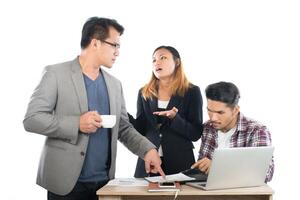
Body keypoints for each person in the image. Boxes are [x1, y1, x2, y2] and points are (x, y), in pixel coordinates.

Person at [23, 17, 164, 200]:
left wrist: (148, 150)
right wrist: (76, 123)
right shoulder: (55, 74)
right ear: (95, 43)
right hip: (65, 185)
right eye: (115, 45)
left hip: (104, 184)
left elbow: (123, 127)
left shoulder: (115, 84)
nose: (118, 52)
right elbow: (32, 119)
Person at [129, 46, 203, 177]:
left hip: (180, 162)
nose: (157, 62)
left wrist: (175, 118)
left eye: (163, 58)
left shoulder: (192, 92)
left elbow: (195, 134)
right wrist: (122, 113)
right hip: (149, 161)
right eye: (154, 60)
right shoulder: (144, 92)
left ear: (177, 62)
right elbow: (140, 129)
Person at [191, 81, 274, 182]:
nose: (213, 118)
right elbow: (203, 168)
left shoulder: (257, 131)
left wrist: (218, 166)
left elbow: (265, 174)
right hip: (211, 191)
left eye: (220, 112)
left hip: (243, 193)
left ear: (235, 110)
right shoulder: (208, 127)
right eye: (210, 110)